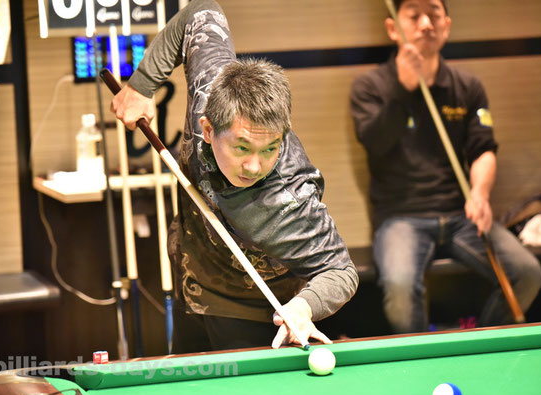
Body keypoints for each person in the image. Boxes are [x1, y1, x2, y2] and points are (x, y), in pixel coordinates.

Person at [111, 0, 359, 351]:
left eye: (270, 148)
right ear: (208, 129)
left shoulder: (289, 202)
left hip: (253, 308)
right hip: (191, 276)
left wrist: (303, 307)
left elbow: (341, 271)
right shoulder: (211, 89)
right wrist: (142, 84)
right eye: (242, 148)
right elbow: (200, 11)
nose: (255, 166)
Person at [349, 0, 541, 333]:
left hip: (461, 214)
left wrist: (480, 194)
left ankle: (479, 347)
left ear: (447, 26)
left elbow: (483, 150)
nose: (426, 23)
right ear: (393, 28)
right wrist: (403, 89)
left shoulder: (467, 87)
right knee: (399, 287)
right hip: (400, 218)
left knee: (527, 273)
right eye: (414, 16)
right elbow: (375, 142)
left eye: (434, 15)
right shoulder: (370, 87)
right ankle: (420, 358)